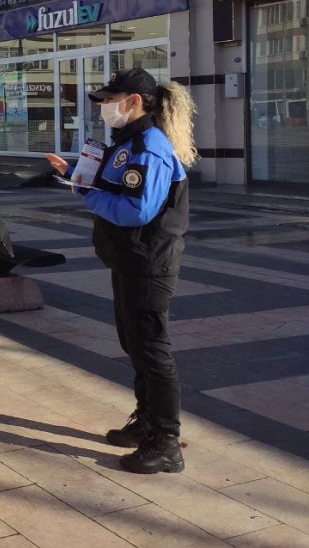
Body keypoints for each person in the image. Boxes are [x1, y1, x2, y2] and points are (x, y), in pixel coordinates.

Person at [46, 67, 197, 474]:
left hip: (148, 262)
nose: (103, 107)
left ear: (134, 102)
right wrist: (76, 177)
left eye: (110, 100)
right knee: (135, 345)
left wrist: (87, 195)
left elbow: (136, 210)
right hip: (131, 259)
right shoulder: (129, 140)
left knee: (152, 349)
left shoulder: (149, 146)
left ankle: (166, 441)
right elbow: (116, 188)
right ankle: (146, 421)